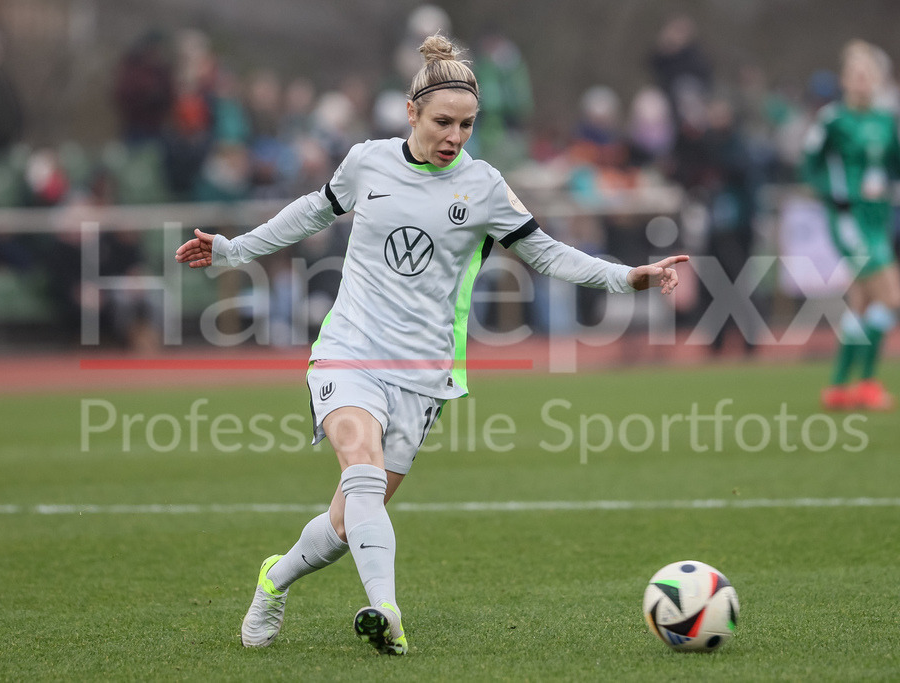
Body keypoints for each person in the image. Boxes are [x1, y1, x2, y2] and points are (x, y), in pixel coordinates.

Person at [175, 34, 687, 656]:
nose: (455, 136)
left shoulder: (486, 186)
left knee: (344, 524)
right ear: (411, 112)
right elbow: (310, 212)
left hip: (424, 373)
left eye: (467, 125)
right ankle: (386, 611)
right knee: (361, 477)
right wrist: (232, 249)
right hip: (350, 349)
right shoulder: (366, 162)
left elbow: (544, 251)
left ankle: (274, 578)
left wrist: (625, 276)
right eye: (443, 121)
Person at [802, 40, 900, 411]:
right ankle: (866, 383)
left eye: (869, 74)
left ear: (878, 79)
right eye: (856, 74)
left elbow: (899, 164)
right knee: (893, 297)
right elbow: (809, 164)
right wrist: (830, 195)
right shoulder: (832, 120)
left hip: (880, 220)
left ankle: (836, 388)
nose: (862, 80)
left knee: (863, 306)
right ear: (845, 80)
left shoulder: (886, 120)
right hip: (850, 223)